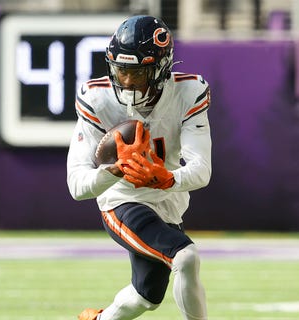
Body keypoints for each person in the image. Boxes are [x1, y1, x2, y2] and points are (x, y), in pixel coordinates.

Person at [66, 15, 211, 320]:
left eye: (138, 73)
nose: (128, 81)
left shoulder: (188, 92)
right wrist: (118, 169)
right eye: (121, 71)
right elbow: (77, 185)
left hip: (167, 202)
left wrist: (166, 179)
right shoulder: (97, 98)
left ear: (160, 69)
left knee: (147, 295)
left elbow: (201, 169)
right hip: (122, 200)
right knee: (185, 256)